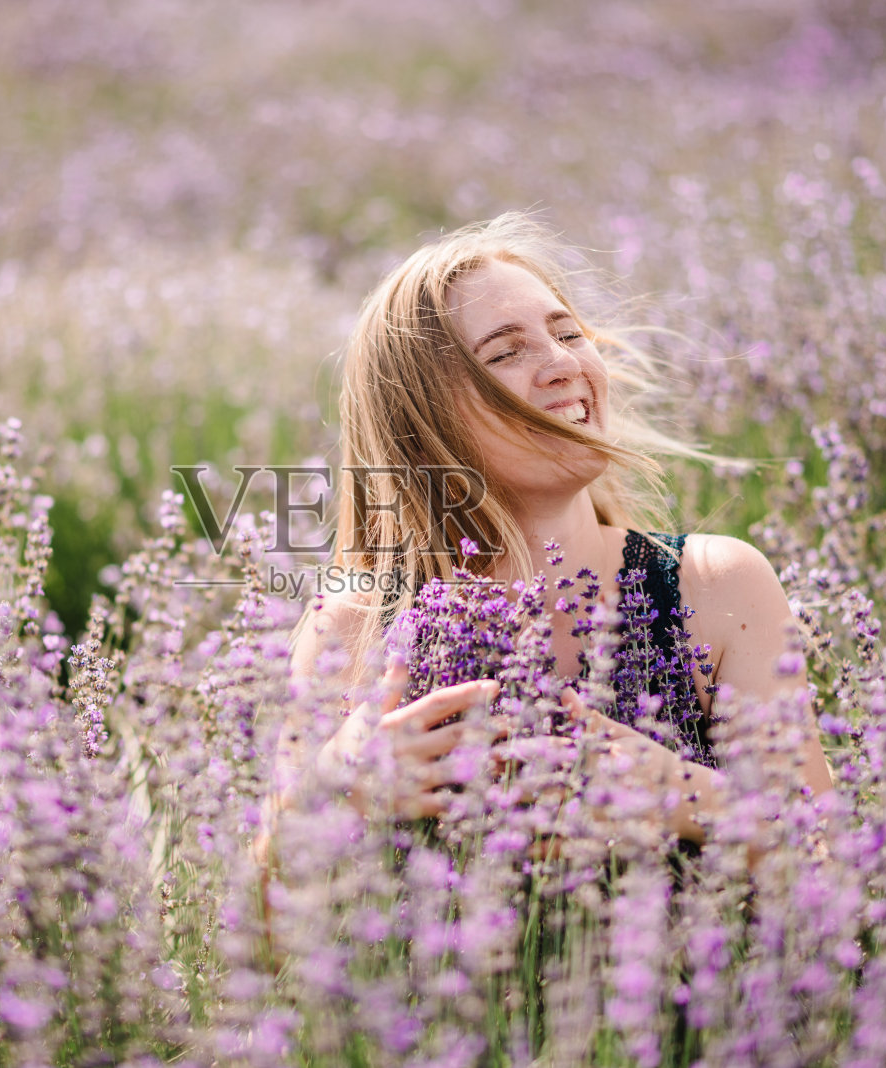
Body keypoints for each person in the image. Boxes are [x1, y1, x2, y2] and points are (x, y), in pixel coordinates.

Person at [275, 212, 833, 850]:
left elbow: (830, 865)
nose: (563, 363)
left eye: (568, 333)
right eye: (506, 352)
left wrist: (685, 796)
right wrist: (333, 791)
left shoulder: (714, 587)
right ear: (423, 421)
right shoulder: (356, 627)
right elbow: (258, 906)